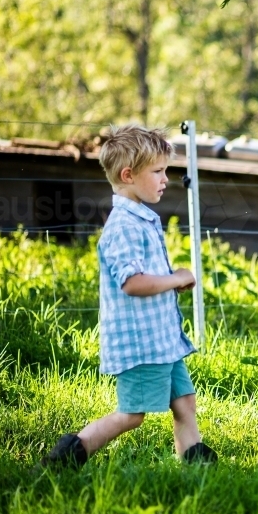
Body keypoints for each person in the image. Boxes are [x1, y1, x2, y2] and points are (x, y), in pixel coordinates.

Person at [43, 125, 216, 467]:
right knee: (132, 414)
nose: (166, 178)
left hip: (162, 340)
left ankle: (196, 467)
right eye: (158, 171)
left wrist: (170, 281)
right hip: (142, 345)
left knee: (184, 402)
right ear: (128, 175)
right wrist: (173, 278)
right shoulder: (123, 226)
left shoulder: (142, 219)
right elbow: (133, 284)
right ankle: (67, 456)